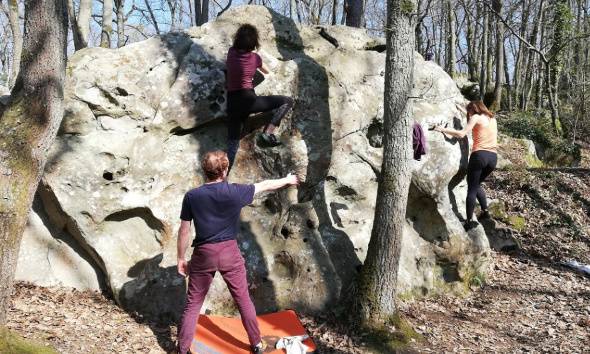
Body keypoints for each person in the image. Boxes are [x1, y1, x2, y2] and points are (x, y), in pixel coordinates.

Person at [176, 150, 299, 354]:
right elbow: (266, 184)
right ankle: (257, 344)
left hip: (203, 254)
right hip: (229, 253)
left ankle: (182, 350)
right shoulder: (235, 192)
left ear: (205, 171)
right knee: (243, 299)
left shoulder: (192, 196)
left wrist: (180, 258)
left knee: (193, 304)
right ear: (224, 170)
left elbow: (184, 230)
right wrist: (288, 179)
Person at [225, 24, 294, 169]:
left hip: (232, 105)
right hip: (249, 101)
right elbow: (266, 71)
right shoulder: (255, 58)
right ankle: (268, 133)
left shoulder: (231, 53)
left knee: (232, 144)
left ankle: (221, 179)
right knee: (287, 101)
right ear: (254, 42)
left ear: (238, 39)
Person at [433, 100, 498, 230]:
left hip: (479, 156)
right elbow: (476, 118)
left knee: (472, 188)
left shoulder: (475, 117)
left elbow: (462, 133)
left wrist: (442, 129)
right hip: (493, 158)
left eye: (469, 111)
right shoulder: (492, 119)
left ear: (473, 110)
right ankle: (485, 213)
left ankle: (469, 221)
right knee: (477, 184)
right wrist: (462, 110)